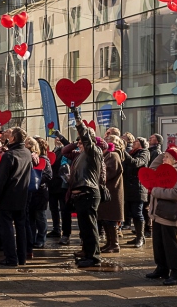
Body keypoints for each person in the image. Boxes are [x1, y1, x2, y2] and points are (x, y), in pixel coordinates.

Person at [62, 108, 105, 268]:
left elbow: (86, 137)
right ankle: (88, 254)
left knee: (90, 227)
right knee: (85, 229)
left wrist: (78, 118)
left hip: (88, 194)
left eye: (81, 140)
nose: (79, 142)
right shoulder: (81, 154)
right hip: (81, 196)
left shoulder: (93, 151)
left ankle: (94, 258)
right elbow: (66, 151)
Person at [146, 147, 177, 286]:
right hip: (158, 212)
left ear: (174, 159)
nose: (163, 160)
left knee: (170, 245)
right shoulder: (164, 169)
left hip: (169, 212)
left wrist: (156, 191)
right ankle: (162, 268)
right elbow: (151, 168)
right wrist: (164, 152)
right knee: (158, 243)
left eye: (166, 157)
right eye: (163, 157)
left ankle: (176, 273)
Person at [0, 127, 32, 266]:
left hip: (8, 196)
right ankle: (22, 257)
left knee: (7, 227)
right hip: (22, 195)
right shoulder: (26, 153)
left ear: (14, 138)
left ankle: (11, 258)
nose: (7, 136)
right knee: (21, 227)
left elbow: (1, 179)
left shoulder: (10, 155)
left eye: (10, 135)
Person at [122, 137, 150, 248]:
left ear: (142, 144)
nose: (133, 143)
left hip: (138, 188)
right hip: (129, 188)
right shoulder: (132, 152)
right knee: (132, 213)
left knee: (137, 213)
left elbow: (136, 163)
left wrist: (123, 152)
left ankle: (140, 237)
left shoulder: (144, 152)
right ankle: (139, 236)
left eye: (136, 142)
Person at [97, 140, 124, 254]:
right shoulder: (106, 156)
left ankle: (114, 244)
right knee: (105, 220)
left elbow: (109, 173)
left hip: (113, 192)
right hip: (107, 192)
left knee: (111, 220)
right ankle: (109, 243)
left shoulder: (113, 156)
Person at [48, 133, 72, 244]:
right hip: (52, 184)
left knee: (64, 209)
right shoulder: (54, 151)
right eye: (56, 138)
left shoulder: (67, 151)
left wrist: (62, 138)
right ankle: (56, 229)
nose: (57, 140)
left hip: (62, 184)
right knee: (53, 208)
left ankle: (65, 233)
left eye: (59, 139)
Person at [29, 137, 52, 249]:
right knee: (31, 217)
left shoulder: (44, 160)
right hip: (31, 193)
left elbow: (48, 176)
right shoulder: (31, 158)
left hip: (40, 192)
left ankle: (41, 239)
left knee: (40, 216)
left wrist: (36, 179)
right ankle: (32, 238)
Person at [144, 134, 164, 237]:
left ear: (157, 141)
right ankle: (147, 227)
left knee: (148, 206)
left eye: (152, 138)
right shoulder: (150, 150)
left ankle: (149, 229)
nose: (149, 139)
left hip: (151, 181)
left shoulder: (156, 152)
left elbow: (154, 167)